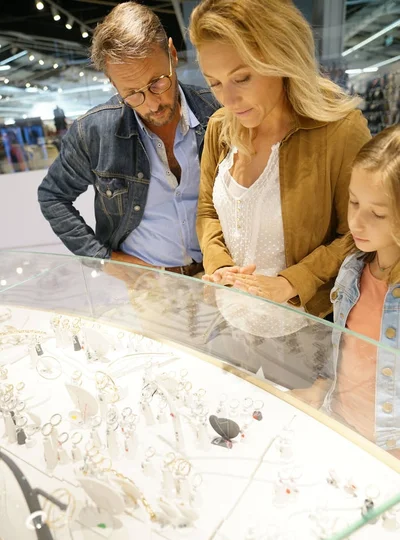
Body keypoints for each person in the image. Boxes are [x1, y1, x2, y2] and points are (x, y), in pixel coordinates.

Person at [189, 0, 371, 319]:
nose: (228, 100)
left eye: (242, 77)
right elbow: (207, 210)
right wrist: (220, 266)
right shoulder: (219, 127)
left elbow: (358, 235)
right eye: (214, 83)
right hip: (233, 317)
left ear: (281, 58)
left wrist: (292, 282)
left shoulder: (340, 132)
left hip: (309, 324)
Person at [38, 2, 219, 276]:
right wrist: (106, 260)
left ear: (171, 53)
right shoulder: (94, 132)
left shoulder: (217, 112)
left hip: (222, 272)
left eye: (157, 82)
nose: (151, 104)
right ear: (112, 82)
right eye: (132, 93)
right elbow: (53, 196)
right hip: (150, 284)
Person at [321, 126, 400, 456]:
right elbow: (346, 351)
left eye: (377, 213)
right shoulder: (352, 270)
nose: (356, 222)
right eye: (353, 202)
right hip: (340, 426)